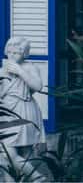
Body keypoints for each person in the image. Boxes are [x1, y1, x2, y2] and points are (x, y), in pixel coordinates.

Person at [0, 35, 44, 173]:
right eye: (9, 52)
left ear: (24, 53)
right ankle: (37, 178)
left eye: (16, 53)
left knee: (25, 152)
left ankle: (33, 179)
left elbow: (38, 86)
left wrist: (20, 71)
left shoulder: (29, 67)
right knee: (7, 153)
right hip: (7, 111)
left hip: (24, 110)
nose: (12, 56)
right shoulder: (3, 69)